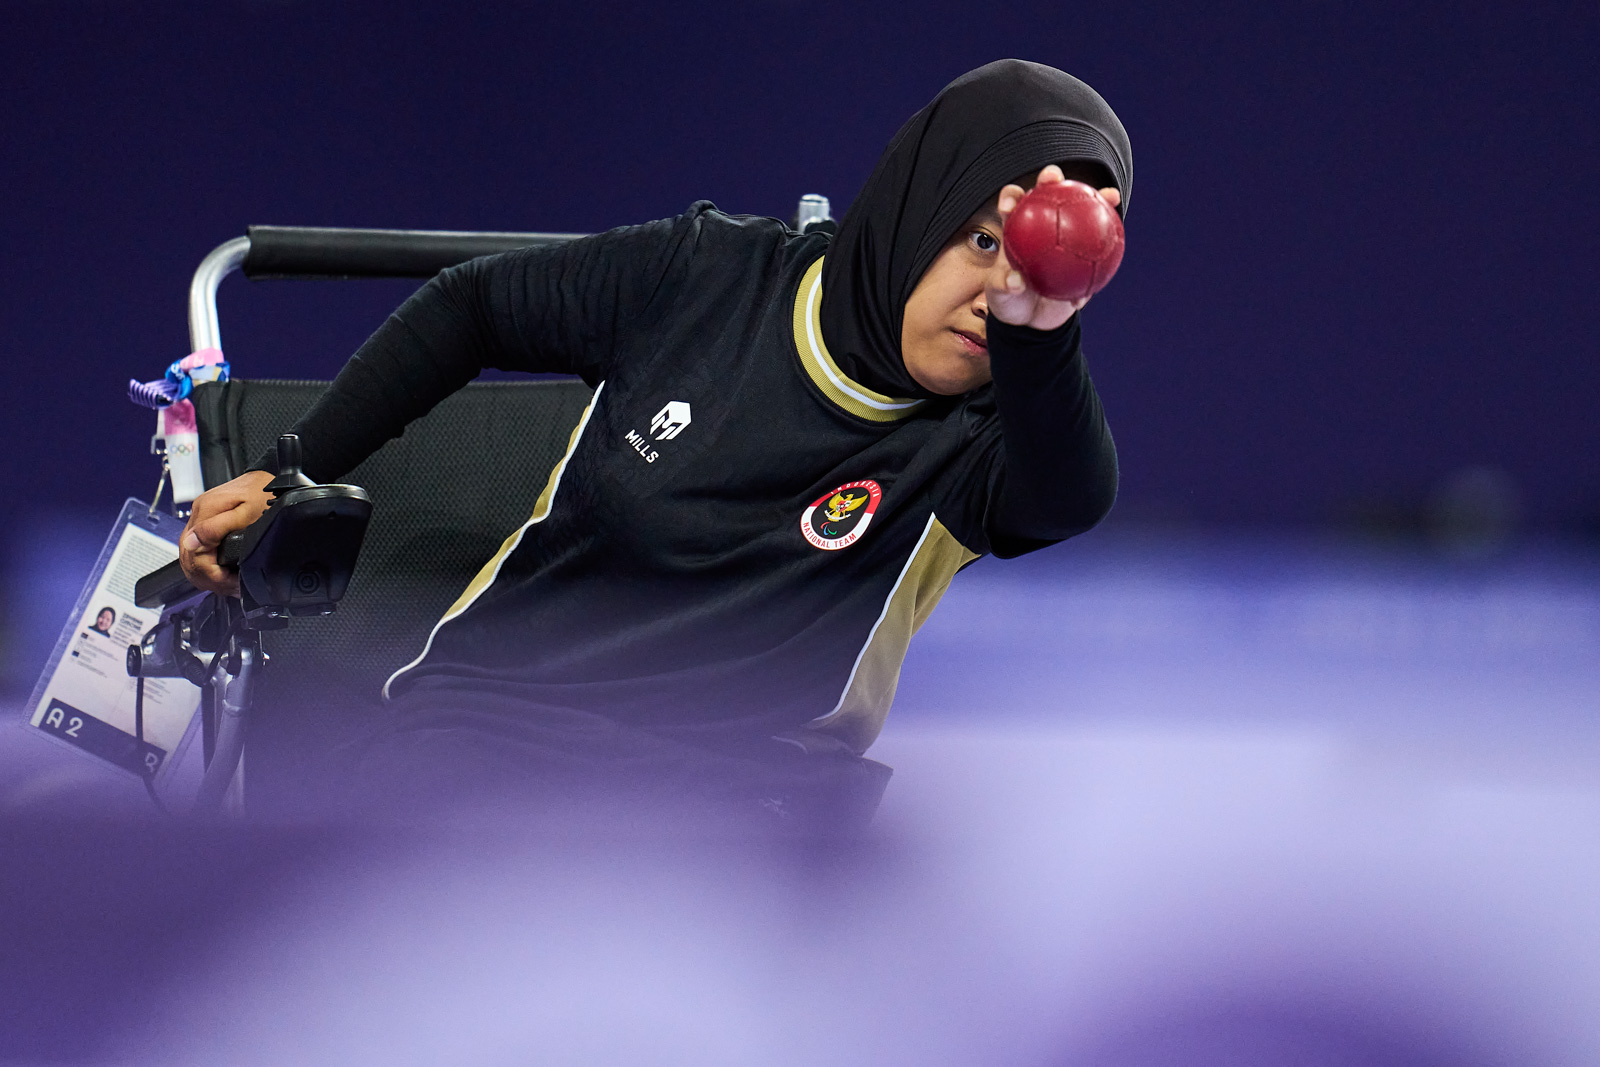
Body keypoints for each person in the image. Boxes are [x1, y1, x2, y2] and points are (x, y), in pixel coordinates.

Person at [177, 59, 1132, 827]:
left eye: (1041, 271)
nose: (997, 291)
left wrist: (1040, 331)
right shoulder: (707, 274)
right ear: (914, 209)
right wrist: (293, 466)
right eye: (979, 241)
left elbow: (1071, 497)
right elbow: (470, 307)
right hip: (490, 738)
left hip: (747, 799)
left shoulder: (990, 435)